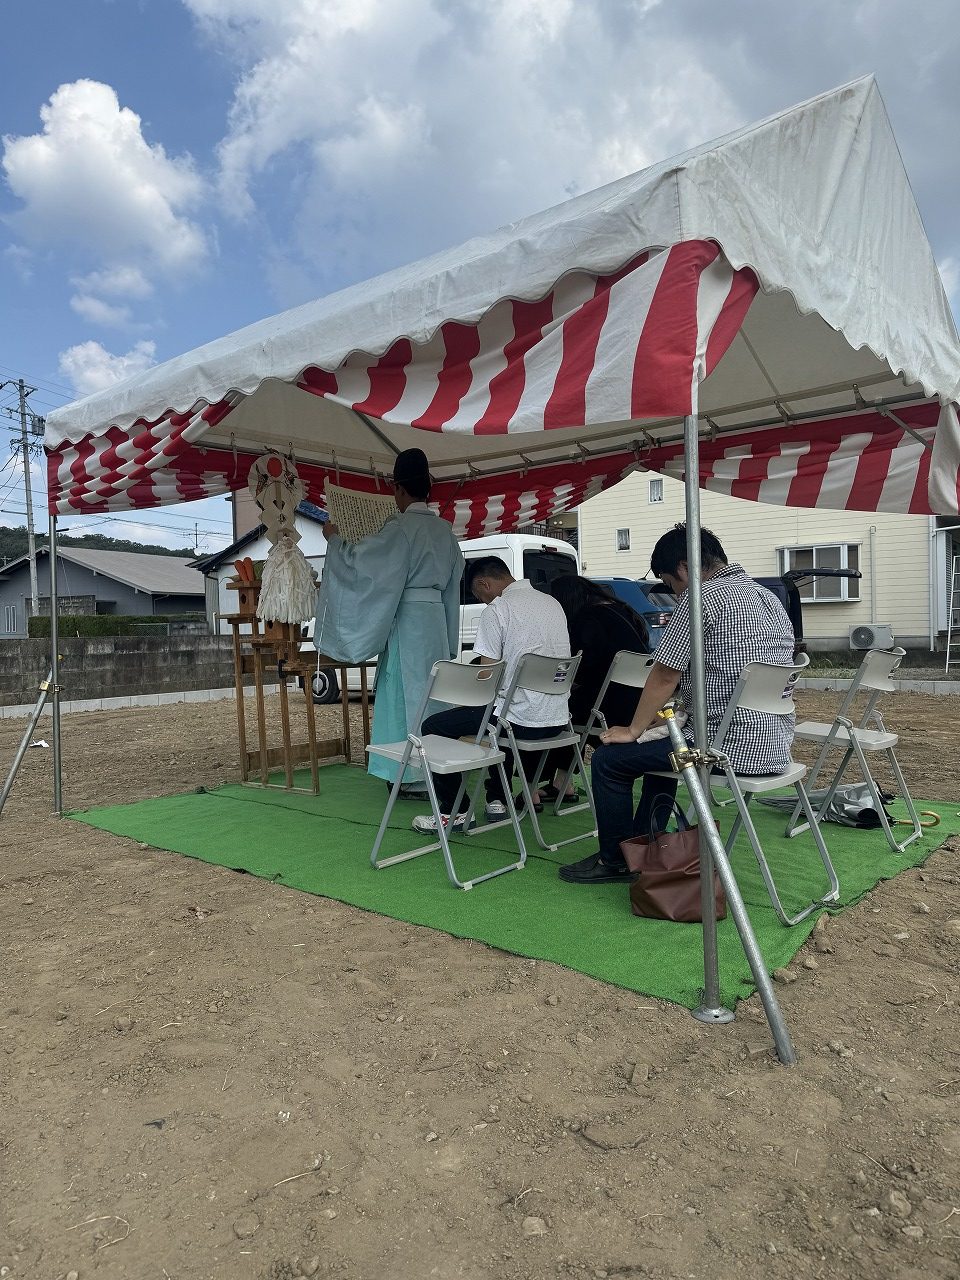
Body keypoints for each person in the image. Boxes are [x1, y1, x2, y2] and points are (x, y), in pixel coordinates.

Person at [559, 523, 795, 884]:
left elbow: (665, 674)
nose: (674, 591)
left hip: (722, 747)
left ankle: (615, 860)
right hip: (776, 746)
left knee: (608, 760)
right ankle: (644, 847)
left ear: (684, 567)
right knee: (667, 747)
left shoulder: (702, 597)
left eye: (670, 584)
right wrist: (662, 719)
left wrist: (635, 727)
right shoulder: (767, 597)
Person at [314, 448, 464, 791]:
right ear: (428, 486)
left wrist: (335, 540)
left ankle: (408, 774)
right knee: (434, 694)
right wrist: (449, 635)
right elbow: (453, 588)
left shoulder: (400, 527)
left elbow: (365, 567)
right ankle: (437, 769)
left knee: (401, 693)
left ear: (397, 489)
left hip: (408, 618)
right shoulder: (445, 532)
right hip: (436, 621)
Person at [411, 556, 571, 833]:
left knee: (435, 726)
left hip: (519, 723)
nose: (482, 600)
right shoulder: (552, 603)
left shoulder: (498, 610)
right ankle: (498, 799)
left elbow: (487, 677)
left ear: (484, 583)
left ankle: (454, 812)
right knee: (497, 714)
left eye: (478, 594)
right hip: (557, 721)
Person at [537, 575, 650, 806]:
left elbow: (584, 665)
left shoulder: (588, 618)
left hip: (607, 704)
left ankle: (543, 783)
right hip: (636, 701)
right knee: (572, 710)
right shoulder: (620, 610)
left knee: (557, 711)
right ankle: (561, 782)